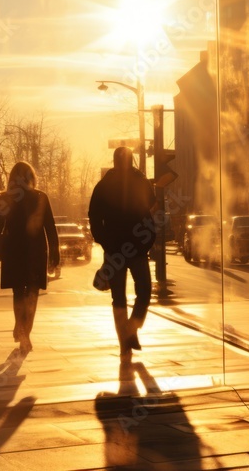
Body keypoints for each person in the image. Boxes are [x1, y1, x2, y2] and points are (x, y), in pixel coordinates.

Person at [89, 147, 156, 356]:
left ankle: (126, 337)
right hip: (135, 247)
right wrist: (147, 238)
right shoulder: (140, 181)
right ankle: (130, 331)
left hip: (116, 249)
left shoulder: (104, 185)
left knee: (119, 298)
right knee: (143, 290)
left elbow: (93, 216)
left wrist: (103, 240)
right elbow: (151, 209)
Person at [0, 162, 60, 355]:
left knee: (18, 292)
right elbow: (50, 227)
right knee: (32, 293)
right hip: (36, 250)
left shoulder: (5, 198)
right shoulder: (41, 197)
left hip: (13, 250)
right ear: (32, 177)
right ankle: (25, 333)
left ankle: (19, 326)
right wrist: (55, 254)